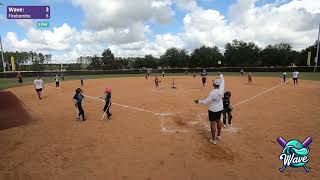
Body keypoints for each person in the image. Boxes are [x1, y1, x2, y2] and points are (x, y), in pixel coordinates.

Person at [194, 73, 225, 145]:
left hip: (213, 110)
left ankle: (213, 139)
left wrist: (198, 101)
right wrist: (221, 75)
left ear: (214, 85)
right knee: (218, 121)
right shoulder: (221, 89)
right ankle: (219, 135)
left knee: (213, 124)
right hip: (220, 108)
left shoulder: (212, 93)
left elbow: (206, 102)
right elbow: (223, 81)